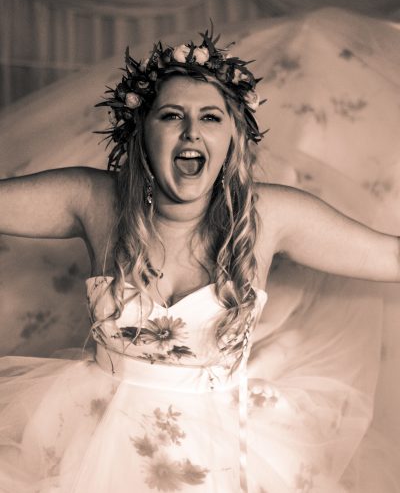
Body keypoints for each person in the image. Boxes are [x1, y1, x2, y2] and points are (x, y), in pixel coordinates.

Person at [0, 26, 399, 493]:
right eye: (172, 115)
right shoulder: (93, 198)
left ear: (232, 136)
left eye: (211, 117)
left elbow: (392, 255)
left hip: (220, 454)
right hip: (92, 444)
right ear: (141, 132)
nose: (192, 131)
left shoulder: (270, 213)